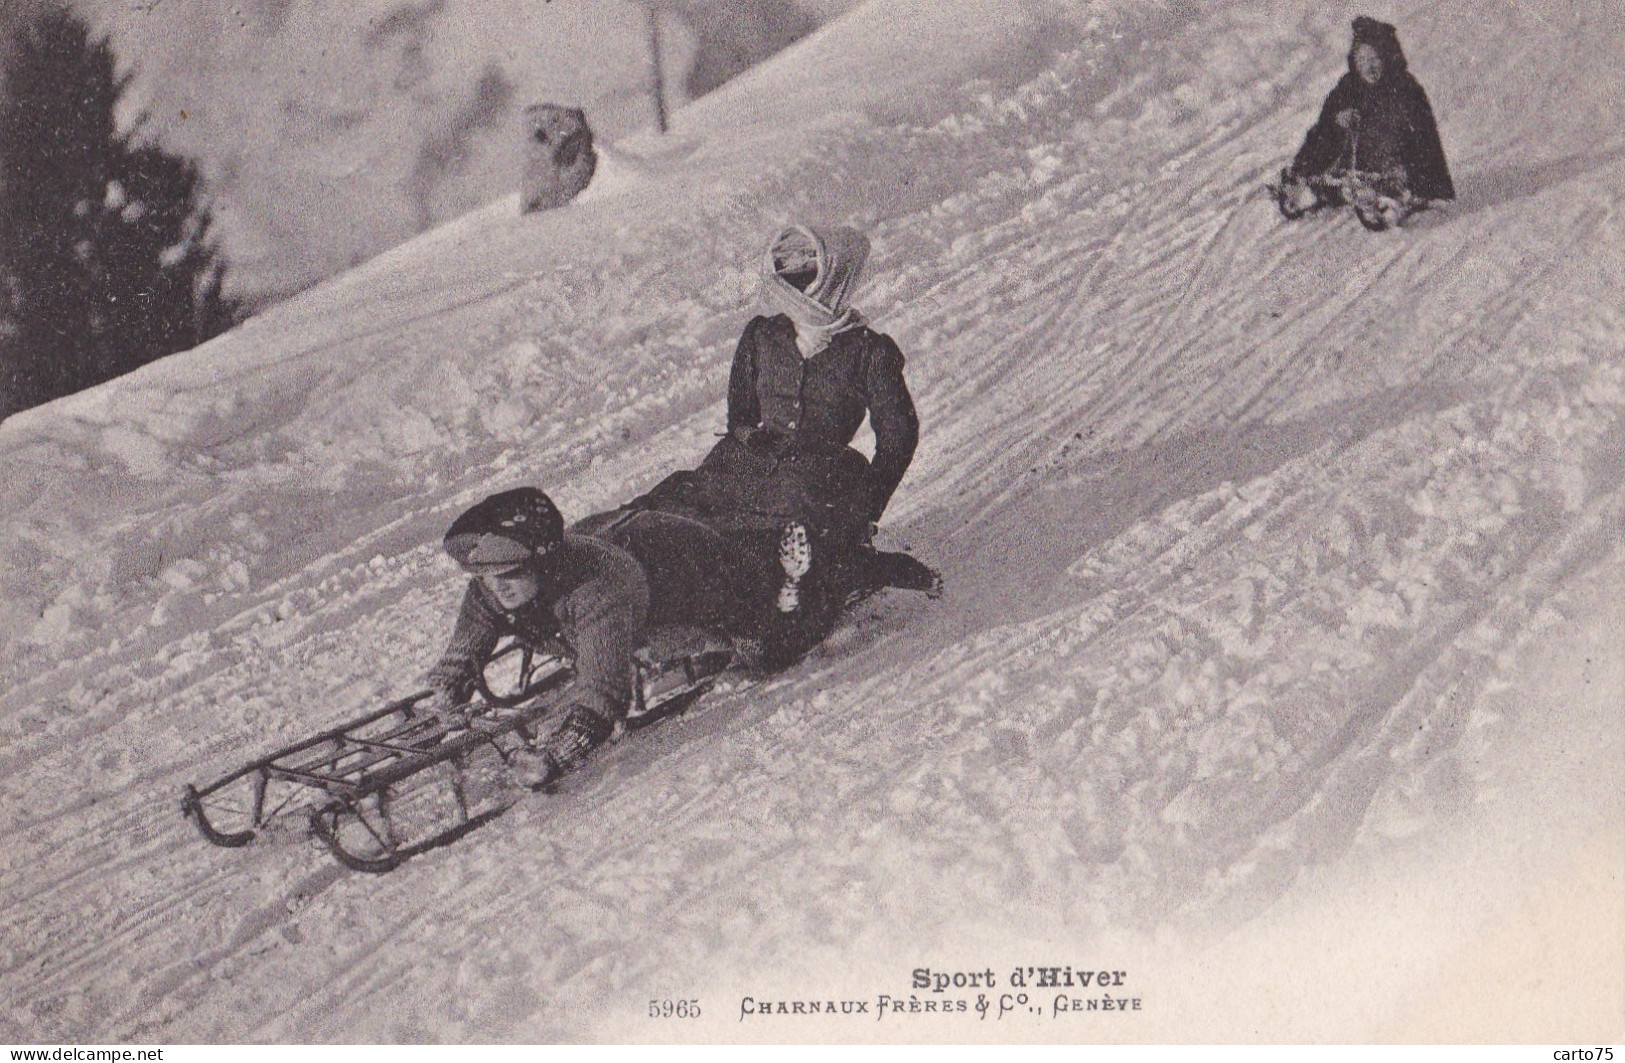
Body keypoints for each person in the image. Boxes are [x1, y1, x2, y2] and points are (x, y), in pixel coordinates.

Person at [625, 223, 924, 648]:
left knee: (775, 546)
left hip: (818, 474)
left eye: (808, 262)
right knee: (675, 505)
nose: (795, 272)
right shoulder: (763, 335)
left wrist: (866, 505)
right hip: (747, 461)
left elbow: (899, 436)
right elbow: (741, 414)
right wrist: (749, 439)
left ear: (836, 271)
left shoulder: (868, 351)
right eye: (787, 262)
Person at [424, 486, 747, 787]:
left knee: (757, 642)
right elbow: (469, 638)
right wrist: (447, 689)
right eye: (485, 576)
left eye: (511, 574)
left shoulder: (598, 591)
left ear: (542, 564)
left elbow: (602, 694)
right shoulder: (497, 584)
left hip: (708, 578)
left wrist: (554, 757)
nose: (496, 587)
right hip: (627, 534)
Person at [1276, 16, 1454, 226]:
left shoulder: (1405, 87)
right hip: (1355, 166)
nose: (1368, 66)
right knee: (1326, 129)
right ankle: (1304, 178)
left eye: (1374, 59)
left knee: (1392, 135)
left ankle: (1391, 196)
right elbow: (1324, 125)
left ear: (1386, 58)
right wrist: (1337, 119)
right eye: (1362, 60)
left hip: (1397, 167)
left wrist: (1431, 190)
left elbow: (1425, 139)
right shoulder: (1349, 85)